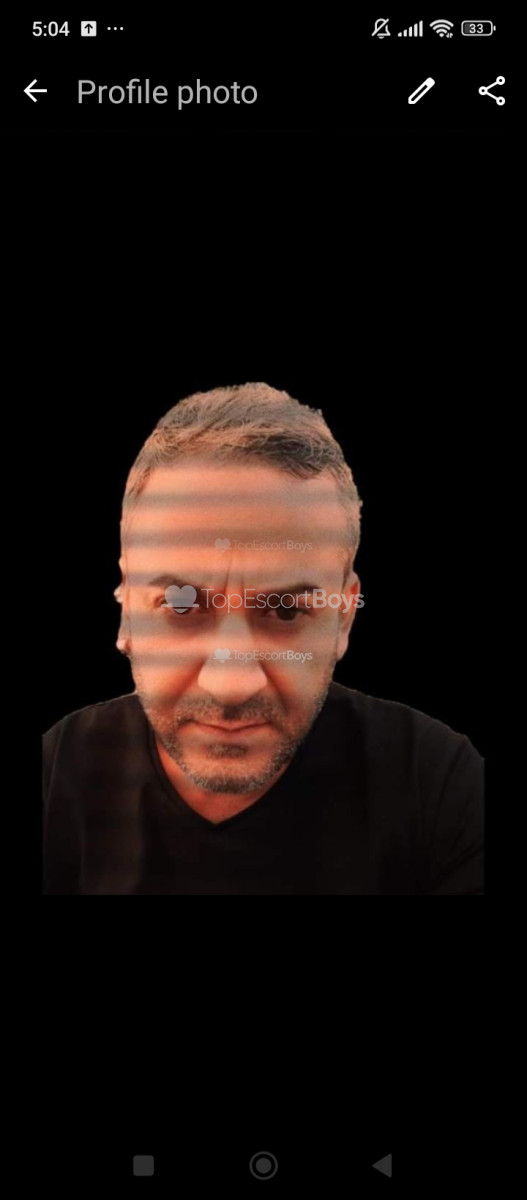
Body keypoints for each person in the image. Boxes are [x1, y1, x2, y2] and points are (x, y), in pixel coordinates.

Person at [42, 383, 484, 894]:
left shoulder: (438, 787)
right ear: (126, 608)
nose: (231, 685)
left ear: (344, 616)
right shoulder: (55, 781)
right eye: (181, 605)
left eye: (287, 610)